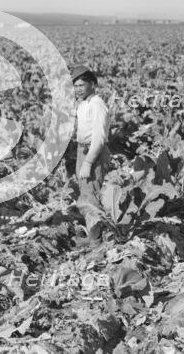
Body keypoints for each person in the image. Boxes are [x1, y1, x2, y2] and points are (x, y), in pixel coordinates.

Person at [71, 65, 111, 246]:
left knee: (92, 192)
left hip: (92, 153)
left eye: (81, 85)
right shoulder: (84, 103)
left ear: (93, 84)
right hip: (83, 150)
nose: (78, 89)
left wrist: (88, 162)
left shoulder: (97, 104)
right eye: (76, 86)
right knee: (85, 192)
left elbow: (99, 139)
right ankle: (93, 235)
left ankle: (96, 241)